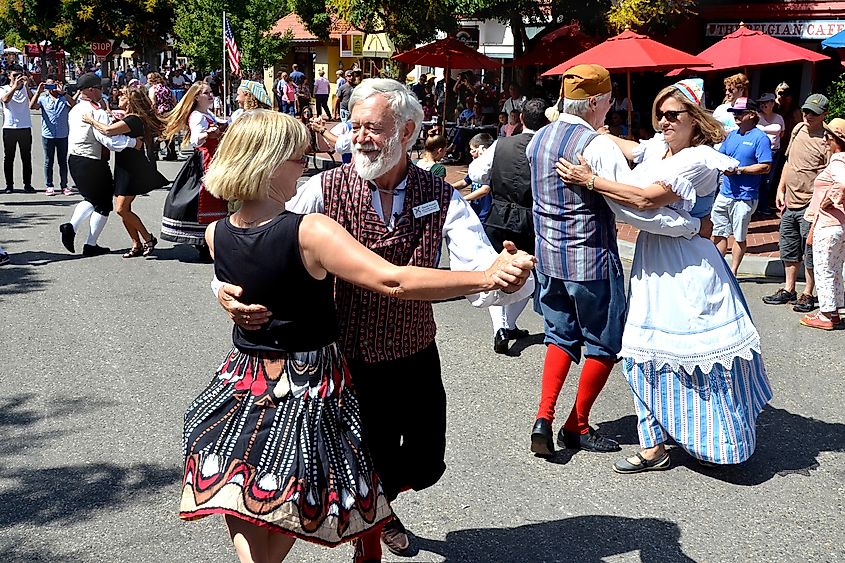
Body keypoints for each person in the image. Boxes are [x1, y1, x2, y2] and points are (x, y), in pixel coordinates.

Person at [180, 109, 532, 563]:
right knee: (311, 480)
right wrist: (485, 277)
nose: (305, 165)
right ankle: (368, 531)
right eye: (298, 157)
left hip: (250, 377)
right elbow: (393, 281)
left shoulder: (215, 233)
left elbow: (246, 262)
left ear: (406, 132)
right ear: (268, 163)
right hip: (313, 377)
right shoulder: (311, 224)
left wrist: (491, 276)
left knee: (248, 479)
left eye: (374, 127)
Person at [557, 78, 772, 472]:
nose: (664, 122)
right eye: (660, 114)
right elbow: (631, 146)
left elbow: (644, 198)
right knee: (644, 349)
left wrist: (589, 180)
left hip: (688, 263)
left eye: (673, 115)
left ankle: (716, 438)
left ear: (695, 119)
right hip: (656, 258)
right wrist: (587, 127)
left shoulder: (699, 158)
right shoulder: (663, 149)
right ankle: (654, 444)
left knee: (689, 349)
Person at [525, 66, 706, 458]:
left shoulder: (537, 139)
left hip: (549, 256)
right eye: (607, 101)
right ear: (593, 102)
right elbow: (634, 207)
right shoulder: (597, 146)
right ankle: (577, 425)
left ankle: (544, 416)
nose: (610, 107)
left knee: (559, 335)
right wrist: (686, 225)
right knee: (604, 342)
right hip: (590, 256)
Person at [469, 99, 549, 353]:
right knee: (527, 276)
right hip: (531, 218)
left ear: (521, 119)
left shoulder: (500, 144)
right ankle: (507, 324)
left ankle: (503, 327)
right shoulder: (548, 147)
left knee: (498, 272)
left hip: (499, 215)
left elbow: (476, 174)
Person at [59, 73, 142, 257]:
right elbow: (108, 140)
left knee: (92, 199)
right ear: (90, 90)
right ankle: (87, 241)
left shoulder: (76, 110)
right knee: (103, 204)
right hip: (92, 161)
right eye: (100, 88)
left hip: (75, 159)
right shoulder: (96, 112)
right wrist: (133, 142)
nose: (102, 92)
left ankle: (74, 230)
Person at [762, 94, 830, 313]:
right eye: (806, 111)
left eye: (813, 113)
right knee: (789, 248)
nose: (808, 115)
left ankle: (808, 293)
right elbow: (789, 162)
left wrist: (820, 204)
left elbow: (831, 174)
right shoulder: (798, 129)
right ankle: (789, 288)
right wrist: (780, 189)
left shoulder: (827, 139)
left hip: (812, 204)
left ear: (824, 115)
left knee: (810, 251)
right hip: (790, 202)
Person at [82, 87, 169, 258]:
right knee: (125, 208)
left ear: (130, 101)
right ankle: (136, 244)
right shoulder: (130, 118)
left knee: (121, 209)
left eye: (122, 96)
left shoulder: (134, 119)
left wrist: (91, 120)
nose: (119, 97)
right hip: (123, 167)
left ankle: (148, 238)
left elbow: (107, 130)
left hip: (133, 169)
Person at [161, 82, 229, 258]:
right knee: (206, 196)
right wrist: (209, 133)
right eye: (206, 93)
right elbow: (195, 139)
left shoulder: (208, 113)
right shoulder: (197, 116)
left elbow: (222, 123)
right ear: (197, 97)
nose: (210, 95)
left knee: (217, 196)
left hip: (215, 157)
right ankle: (204, 241)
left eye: (211, 92)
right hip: (205, 160)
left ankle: (213, 237)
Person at [712, 97, 772, 276]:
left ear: (752, 115)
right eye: (734, 113)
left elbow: (765, 166)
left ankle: (733, 272)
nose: (736, 116)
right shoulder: (732, 135)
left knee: (739, 236)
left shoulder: (760, 138)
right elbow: (721, 156)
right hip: (725, 193)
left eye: (739, 112)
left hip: (745, 197)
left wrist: (739, 170)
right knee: (719, 233)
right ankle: (718, 268)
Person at [799, 118, 845, 330]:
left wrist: (831, 199)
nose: (825, 140)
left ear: (836, 140)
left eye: (828, 137)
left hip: (828, 224)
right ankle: (833, 311)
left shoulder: (837, 161)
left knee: (824, 269)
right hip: (838, 225)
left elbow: (842, 183)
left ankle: (827, 315)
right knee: (834, 268)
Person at [30, 75, 75, 196]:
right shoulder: (43, 99)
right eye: (49, 85)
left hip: (62, 134)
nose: (51, 88)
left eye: (53, 84)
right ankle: (49, 185)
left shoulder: (64, 98)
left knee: (62, 161)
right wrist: (38, 92)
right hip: (48, 134)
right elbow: (32, 106)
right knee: (48, 161)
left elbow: (75, 105)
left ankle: (64, 185)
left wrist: (63, 92)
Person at [1, 67, 34, 193]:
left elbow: (32, 101)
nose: (17, 77)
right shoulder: (4, 89)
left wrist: (26, 86)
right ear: (9, 76)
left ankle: (28, 184)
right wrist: (14, 87)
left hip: (25, 127)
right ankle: (9, 185)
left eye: (19, 75)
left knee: (26, 157)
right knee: (9, 157)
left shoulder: (25, 89)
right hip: (10, 127)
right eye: (15, 75)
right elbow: (5, 100)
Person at [756, 93, 785, 216]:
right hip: (759, 152)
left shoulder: (779, 118)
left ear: (773, 103)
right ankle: (755, 206)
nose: (763, 105)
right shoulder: (757, 116)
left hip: (774, 152)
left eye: (766, 102)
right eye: (761, 103)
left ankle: (763, 205)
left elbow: (782, 134)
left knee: (768, 180)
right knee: (758, 179)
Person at [148, 72, 177, 160]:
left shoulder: (153, 89)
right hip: (169, 112)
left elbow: (153, 102)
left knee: (158, 132)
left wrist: (151, 113)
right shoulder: (167, 88)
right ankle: (171, 153)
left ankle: (155, 152)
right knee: (168, 132)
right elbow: (174, 100)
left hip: (159, 113)